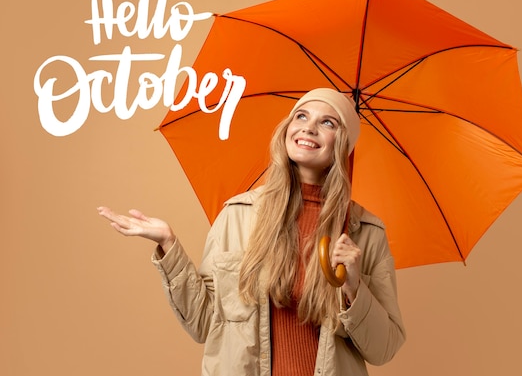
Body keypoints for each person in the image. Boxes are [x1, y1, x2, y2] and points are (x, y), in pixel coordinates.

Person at [98, 88, 405, 376]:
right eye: (301, 116)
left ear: (344, 145)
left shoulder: (365, 233)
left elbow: (384, 348)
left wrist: (354, 288)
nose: (308, 128)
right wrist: (169, 244)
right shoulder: (238, 215)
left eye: (328, 122)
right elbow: (204, 323)